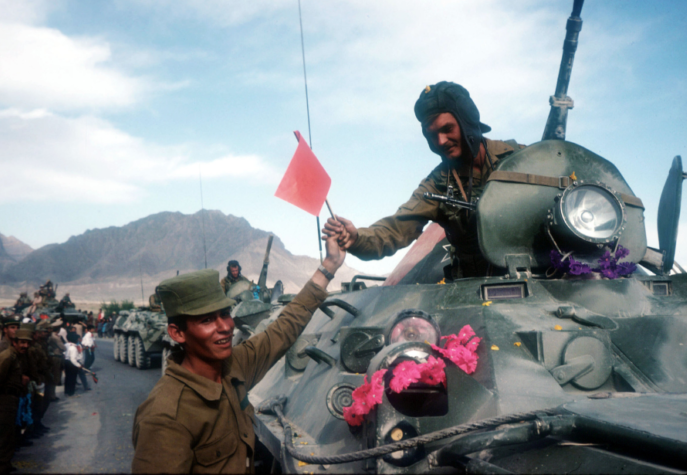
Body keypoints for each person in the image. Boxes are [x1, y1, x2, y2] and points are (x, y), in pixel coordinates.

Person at [131, 234, 346, 473]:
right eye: (207, 320)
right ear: (177, 333)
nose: (225, 326)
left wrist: (329, 266)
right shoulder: (164, 416)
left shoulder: (234, 365)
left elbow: (283, 328)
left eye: (225, 313)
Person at [323, 81, 524, 279]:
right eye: (432, 135)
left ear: (468, 121)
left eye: (447, 129)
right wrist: (357, 238)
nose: (441, 141)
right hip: (473, 289)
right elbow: (395, 230)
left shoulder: (523, 159)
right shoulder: (438, 185)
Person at [0, 325, 33, 474]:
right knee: (4, 436)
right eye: (22, 342)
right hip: (5, 399)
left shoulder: (15, 356)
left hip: (10, 398)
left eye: (27, 343)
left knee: (2, 434)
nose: (25, 346)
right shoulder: (8, 357)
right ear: (15, 342)